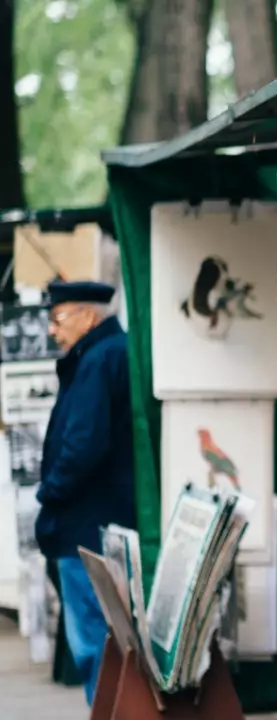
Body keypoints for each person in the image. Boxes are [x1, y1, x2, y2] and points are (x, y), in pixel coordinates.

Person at [35, 281, 135, 705]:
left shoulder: (97, 359)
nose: (54, 331)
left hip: (85, 527)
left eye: (59, 319)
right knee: (108, 642)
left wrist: (50, 492)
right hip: (100, 522)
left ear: (88, 316)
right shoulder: (107, 354)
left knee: (95, 645)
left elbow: (83, 444)